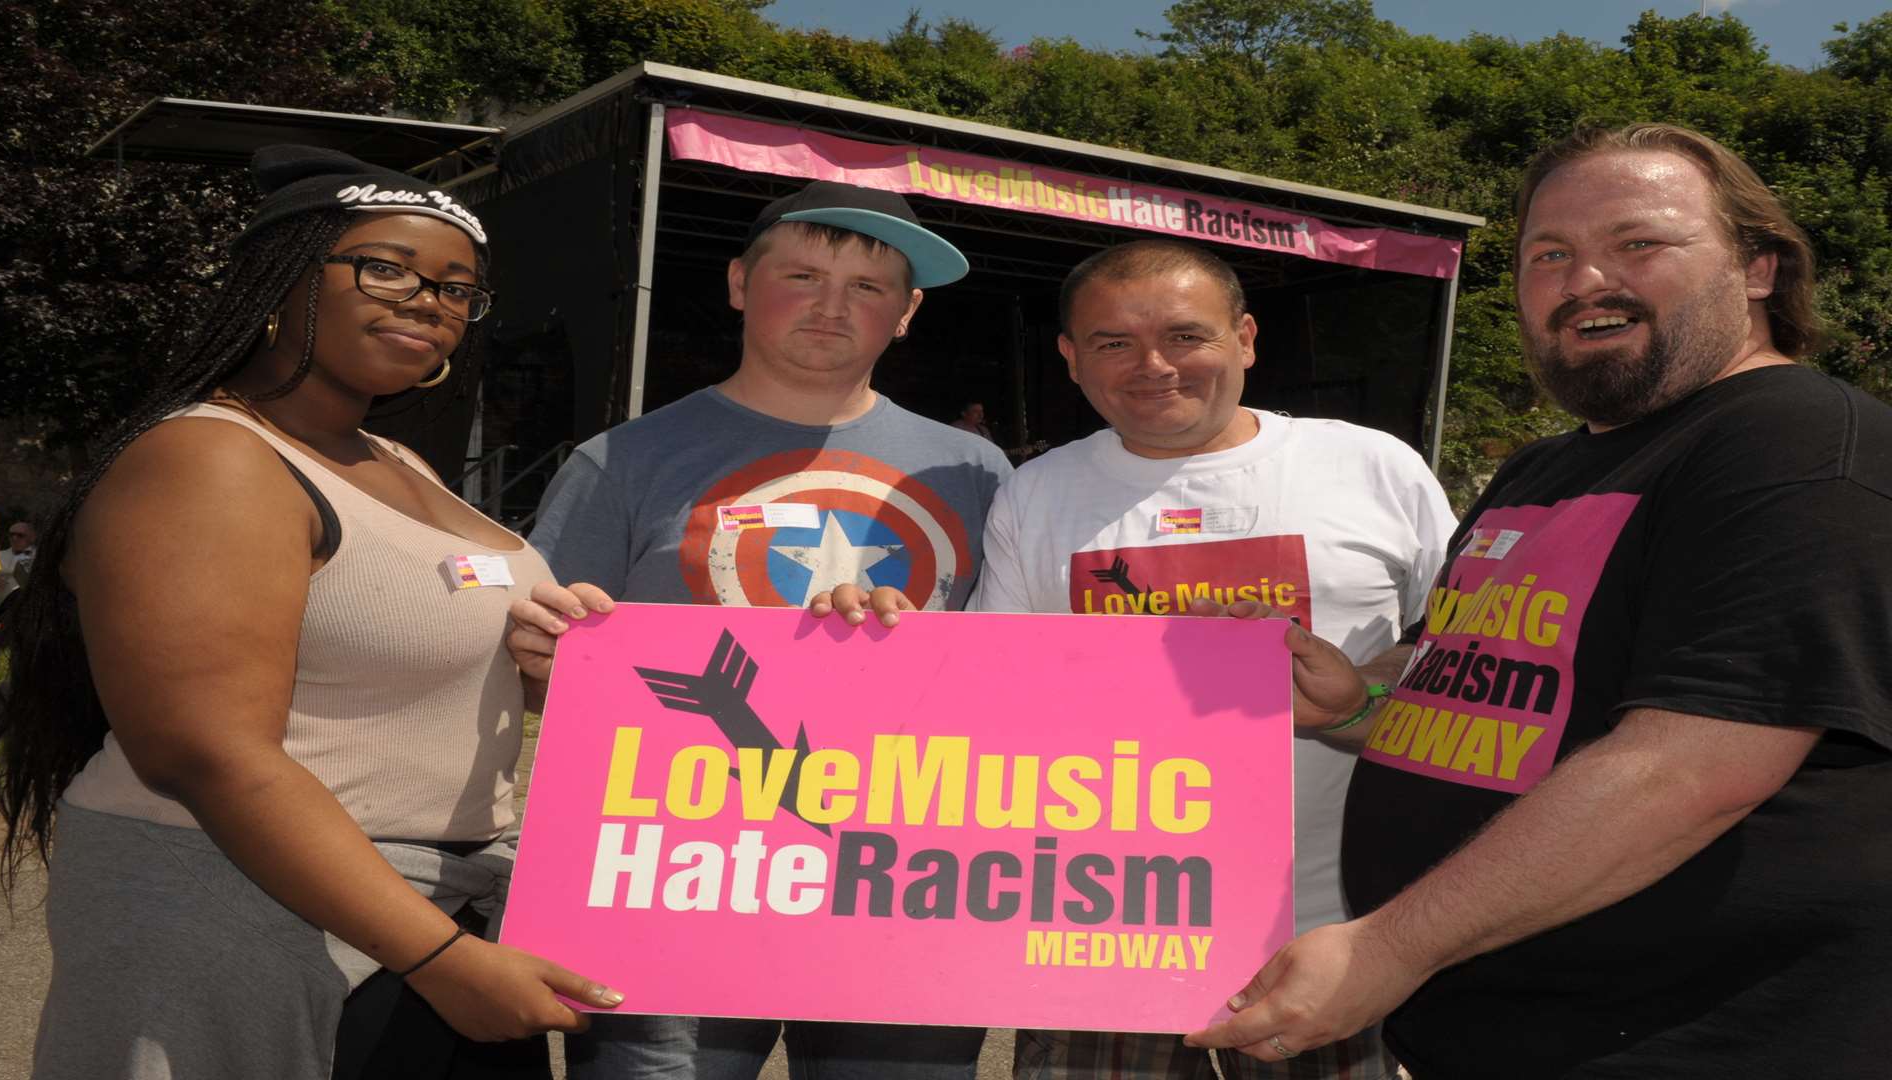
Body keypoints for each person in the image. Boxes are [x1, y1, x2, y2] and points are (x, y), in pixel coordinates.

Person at [1184, 123, 1892, 1078]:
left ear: (1760, 267)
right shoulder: (1545, 468)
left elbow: (1690, 766)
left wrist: (1388, 947)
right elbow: (1466, 680)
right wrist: (1355, 700)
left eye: (1639, 244)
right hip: (1498, 1035)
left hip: (1695, 1042)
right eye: (1549, 255)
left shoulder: (1796, 447)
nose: (1585, 279)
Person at [0, 145, 621, 1079]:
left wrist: (538, 662)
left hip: (433, 914)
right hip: (257, 912)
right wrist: (439, 957)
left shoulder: (400, 463)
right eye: (386, 267)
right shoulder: (210, 459)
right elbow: (203, 752)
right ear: (279, 281)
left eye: (454, 288)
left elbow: (382, 666)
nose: (425, 301)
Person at [525, 179, 1013, 1079]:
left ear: (906, 314)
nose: (833, 306)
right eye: (803, 275)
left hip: (904, 883)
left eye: (868, 288)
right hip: (677, 883)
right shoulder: (622, 462)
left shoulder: (976, 471)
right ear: (740, 283)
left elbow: (1021, 678)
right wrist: (535, 655)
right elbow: (538, 666)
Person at [969, 238, 1452, 1080]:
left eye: (1186, 336)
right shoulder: (1035, 491)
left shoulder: (1375, 467)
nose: (1153, 366)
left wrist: (1360, 696)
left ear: (1247, 340)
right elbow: (991, 694)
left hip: (1329, 936)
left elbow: (1464, 661)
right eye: (1114, 343)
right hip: (1099, 933)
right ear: (1071, 360)